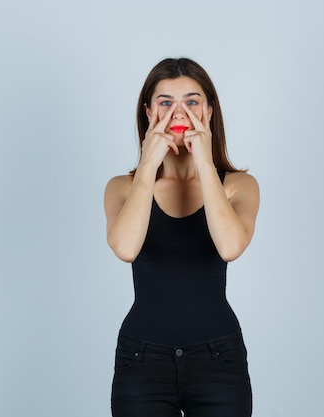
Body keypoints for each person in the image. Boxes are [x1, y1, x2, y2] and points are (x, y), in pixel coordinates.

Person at [104, 57, 260, 417]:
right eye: (165, 103)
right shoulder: (121, 188)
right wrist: (147, 164)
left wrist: (204, 162)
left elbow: (231, 246)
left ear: (208, 111)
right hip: (142, 361)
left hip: (218, 360)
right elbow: (126, 248)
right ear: (147, 112)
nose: (179, 114)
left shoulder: (239, 186)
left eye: (191, 102)